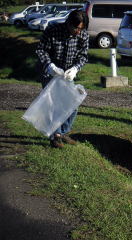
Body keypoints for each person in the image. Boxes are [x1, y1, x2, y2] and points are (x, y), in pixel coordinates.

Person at [36, 10, 89, 148]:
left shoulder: (83, 35)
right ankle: (56, 136)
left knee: (72, 103)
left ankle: (63, 132)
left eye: (81, 28)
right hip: (51, 71)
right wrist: (49, 66)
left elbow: (83, 56)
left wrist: (76, 68)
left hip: (67, 73)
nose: (78, 31)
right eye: (76, 28)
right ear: (68, 23)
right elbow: (41, 50)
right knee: (54, 104)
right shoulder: (53, 30)